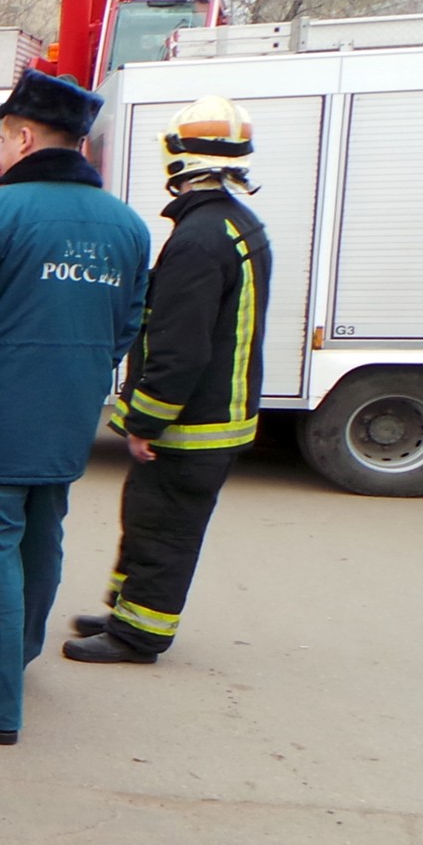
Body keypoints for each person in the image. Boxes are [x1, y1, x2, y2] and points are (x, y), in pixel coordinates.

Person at [0, 69, 151, 745]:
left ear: (20, 135)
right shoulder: (126, 225)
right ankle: (15, 658)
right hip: (65, 418)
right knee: (41, 541)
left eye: (3, 137)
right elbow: (126, 324)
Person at [65, 96, 271, 665]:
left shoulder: (200, 239)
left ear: (179, 159)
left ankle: (139, 637)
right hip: (213, 417)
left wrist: (145, 420)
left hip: (192, 424)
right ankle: (126, 612)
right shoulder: (233, 222)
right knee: (148, 518)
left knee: (163, 529)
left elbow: (180, 347)